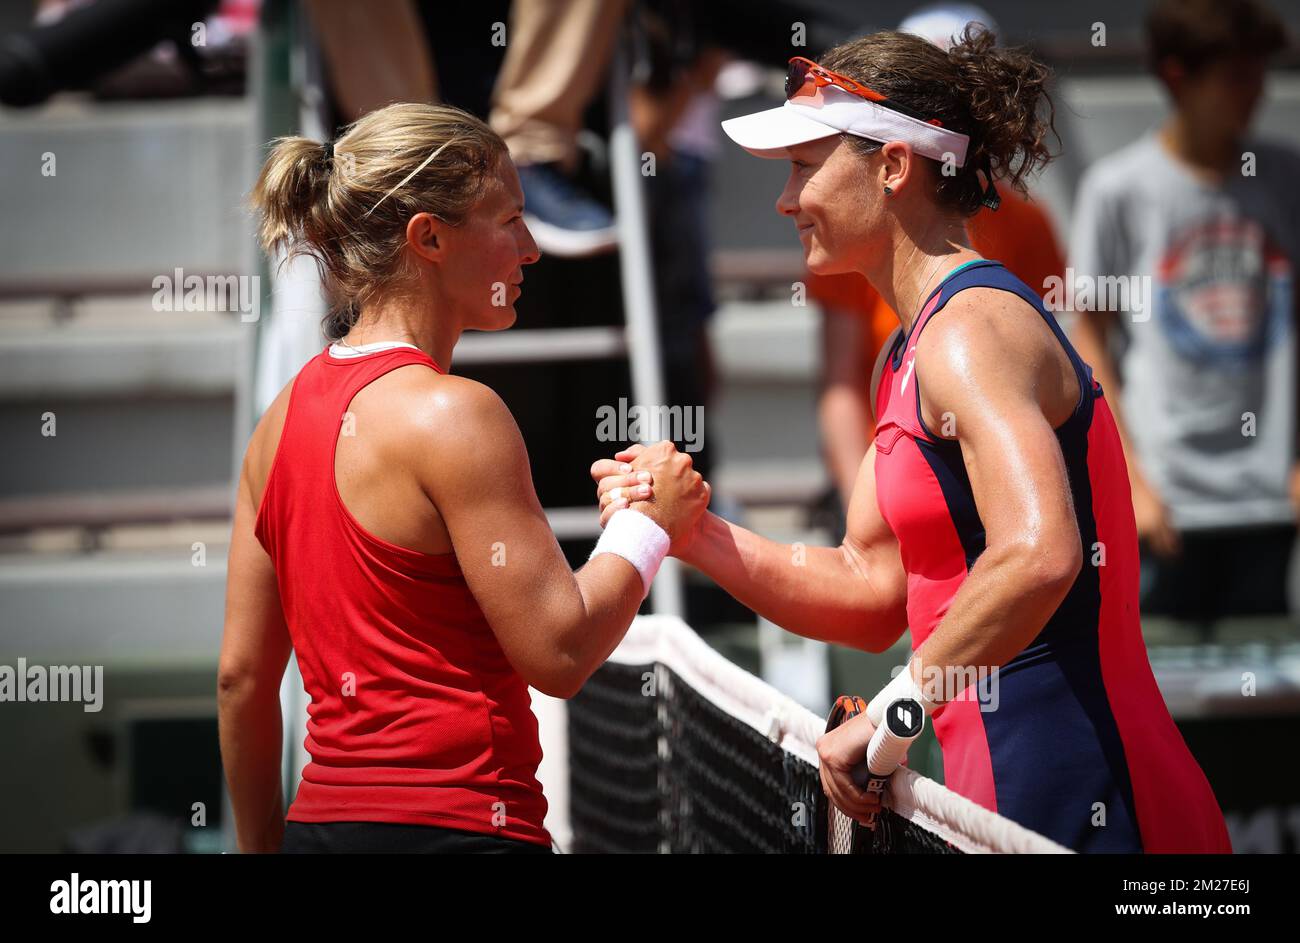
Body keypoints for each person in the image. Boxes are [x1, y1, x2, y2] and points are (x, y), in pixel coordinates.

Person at [593, 28, 1231, 852]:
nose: (786, 201)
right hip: (1005, 792)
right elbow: (872, 590)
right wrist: (695, 534)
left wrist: (897, 710)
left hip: (1090, 791)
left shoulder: (968, 333)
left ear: (893, 167)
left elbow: (1038, 553)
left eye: (804, 167)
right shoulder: (908, 350)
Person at [218, 102, 709, 853]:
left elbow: (242, 681)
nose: (532, 247)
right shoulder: (459, 415)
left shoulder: (276, 423)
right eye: (509, 219)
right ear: (430, 237)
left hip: (318, 832)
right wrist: (650, 524)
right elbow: (560, 652)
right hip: (464, 831)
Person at [1069, 0, 1298, 632]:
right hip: (1165, 505)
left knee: (1262, 705)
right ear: (1176, 77)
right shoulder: (1119, 190)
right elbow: (1089, 339)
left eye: (1259, 74)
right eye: (1235, 76)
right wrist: (1130, 483)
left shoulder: (1284, 178)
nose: (1254, 93)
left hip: (1268, 501)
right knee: (1159, 704)